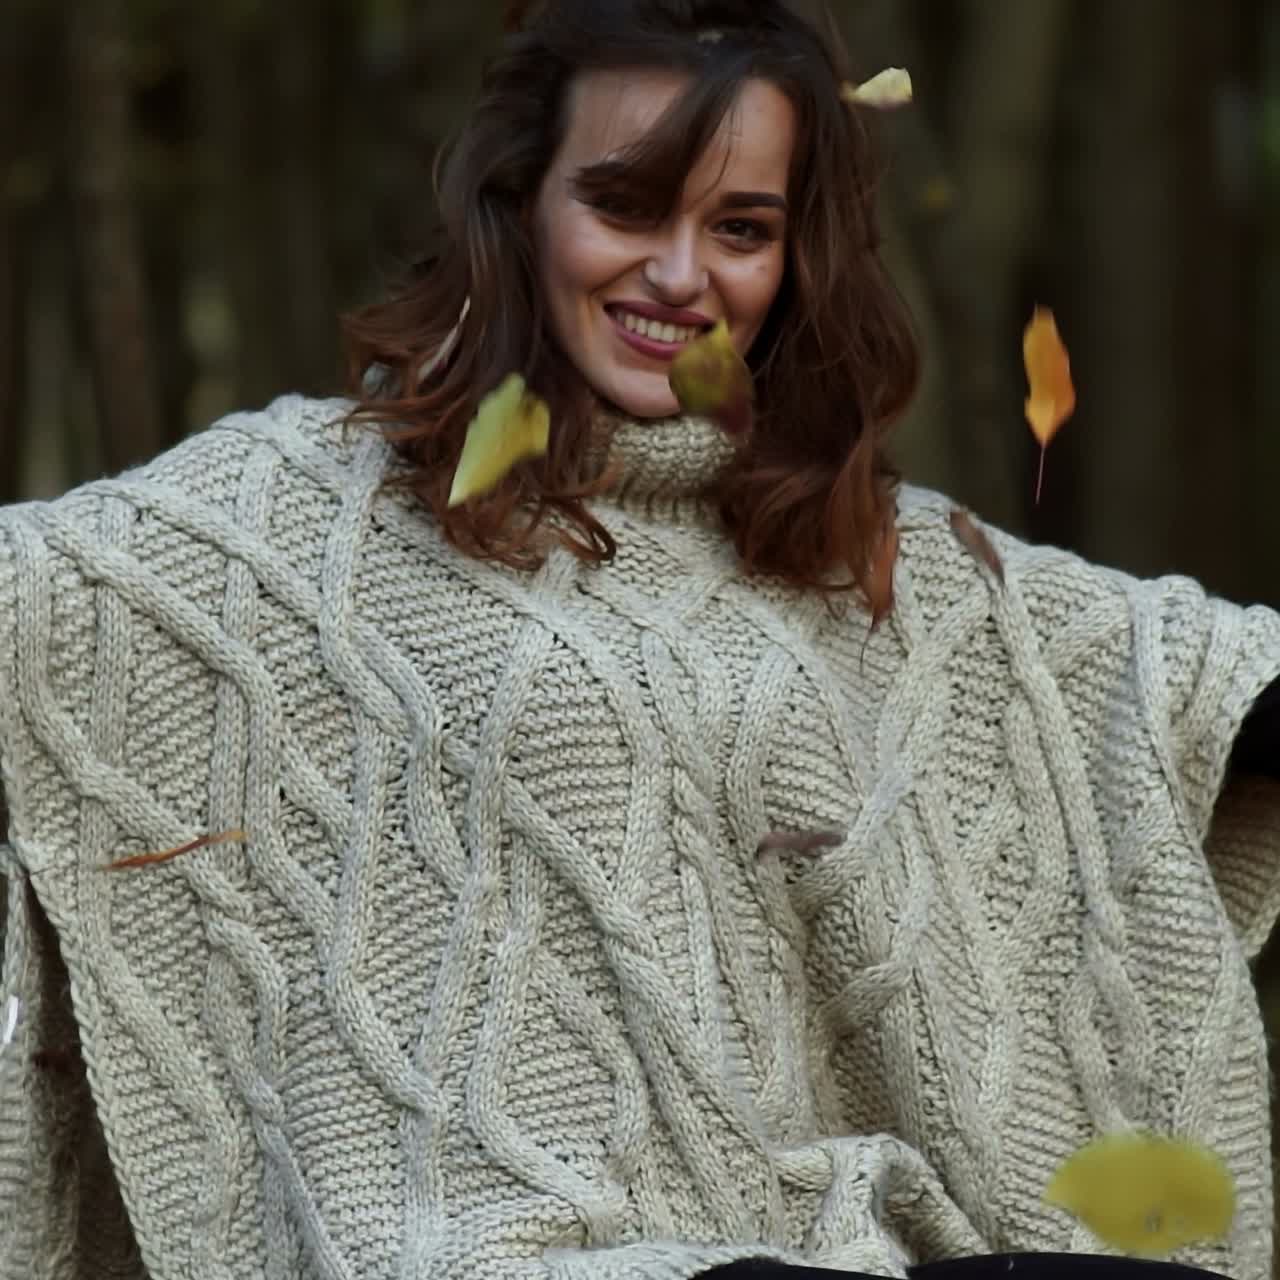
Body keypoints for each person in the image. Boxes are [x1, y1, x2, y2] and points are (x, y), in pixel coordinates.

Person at [1, 1, 1278, 1277]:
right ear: (517, 207)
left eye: (739, 229)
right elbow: (39, 598)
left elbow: (1170, 677)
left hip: (848, 1243)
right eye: (623, 206)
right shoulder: (287, 518)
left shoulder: (855, 543)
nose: (681, 274)